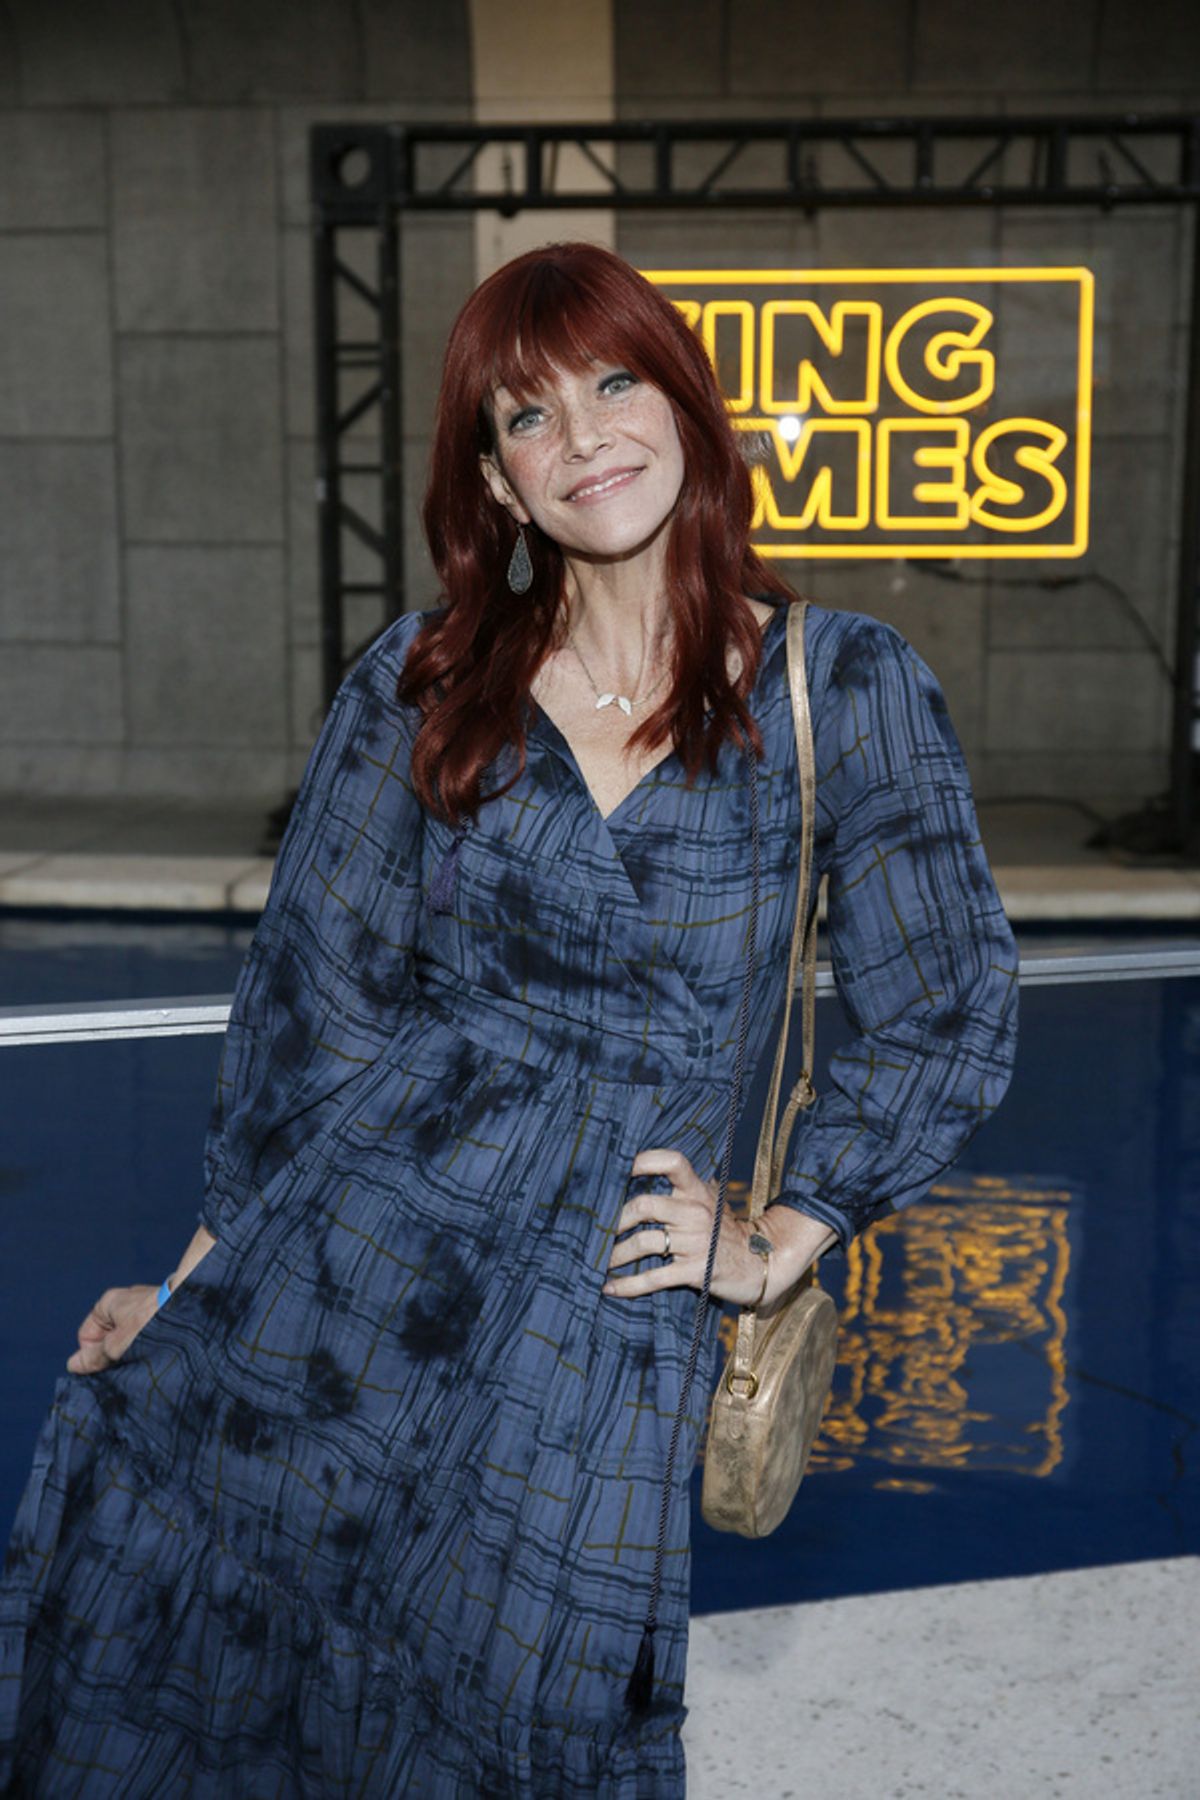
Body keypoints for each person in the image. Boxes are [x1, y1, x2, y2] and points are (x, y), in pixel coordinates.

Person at [0, 242, 1018, 1796]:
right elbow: (304, 1032)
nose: (587, 436)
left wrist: (773, 1241)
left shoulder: (842, 687)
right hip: (350, 1292)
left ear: (684, 403)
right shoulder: (419, 684)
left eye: (617, 382)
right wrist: (196, 1289)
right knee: (260, 1678)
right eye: (529, 416)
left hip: (599, 1327)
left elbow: (944, 1008)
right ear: (492, 475)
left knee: (533, 1728)